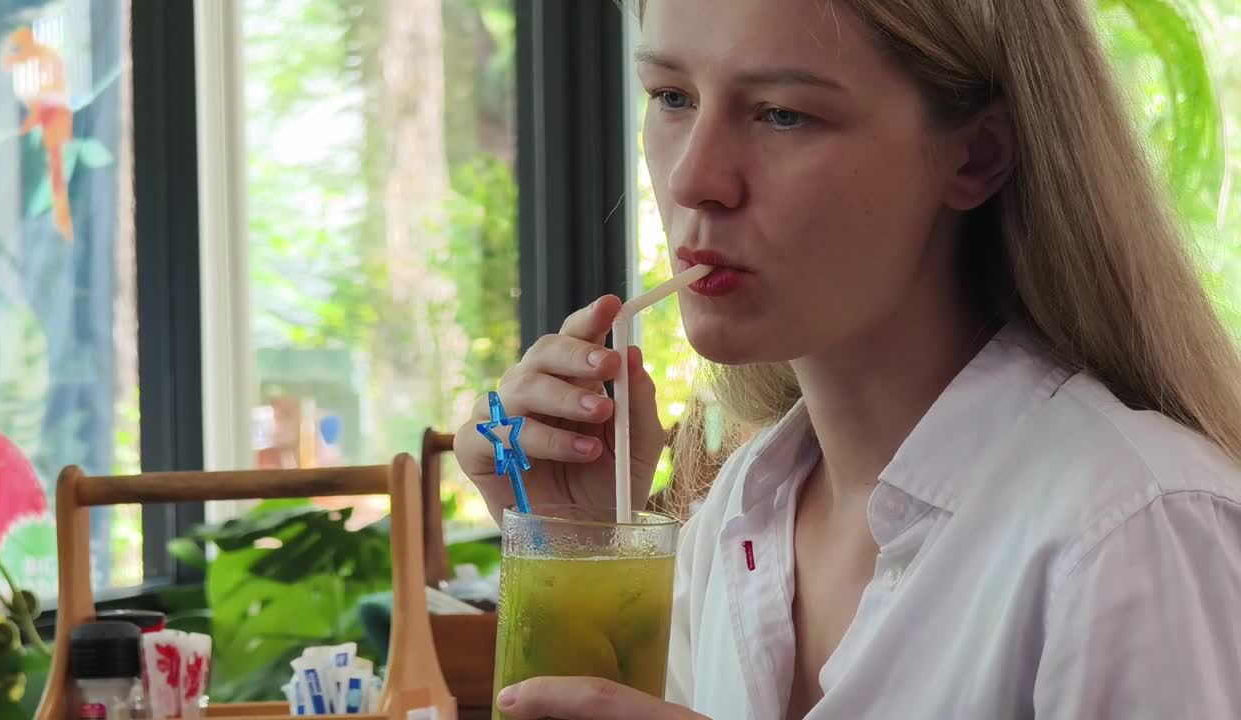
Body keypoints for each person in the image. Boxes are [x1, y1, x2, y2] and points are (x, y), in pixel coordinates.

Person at [455, 0, 1241, 717]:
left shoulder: (1135, 531)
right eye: (671, 97)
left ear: (977, 156)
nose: (695, 179)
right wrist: (581, 538)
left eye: (782, 114)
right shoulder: (735, 515)